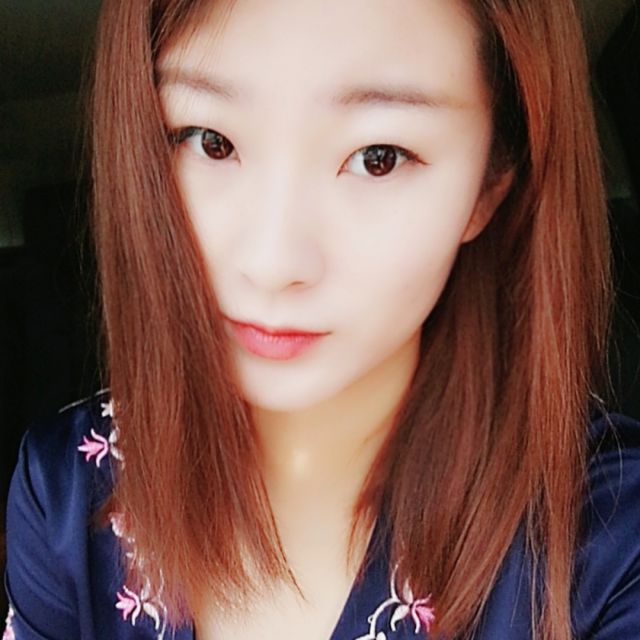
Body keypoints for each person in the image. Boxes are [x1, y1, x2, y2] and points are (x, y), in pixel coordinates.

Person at [3, 0, 640, 638]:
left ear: (490, 183)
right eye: (210, 142)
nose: (273, 263)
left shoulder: (609, 536)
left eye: (379, 156)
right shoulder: (68, 493)